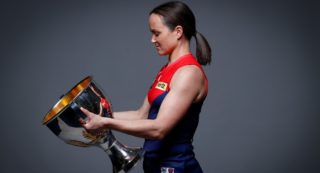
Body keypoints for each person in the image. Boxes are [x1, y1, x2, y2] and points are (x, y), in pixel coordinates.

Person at [80, 1, 212, 172]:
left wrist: (105, 122)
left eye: (156, 33)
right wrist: (96, 115)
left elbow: (160, 129)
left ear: (178, 32)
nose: (152, 40)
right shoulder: (166, 70)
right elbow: (141, 115)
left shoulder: (189, 73)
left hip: (176, 167)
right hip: (154, 166)